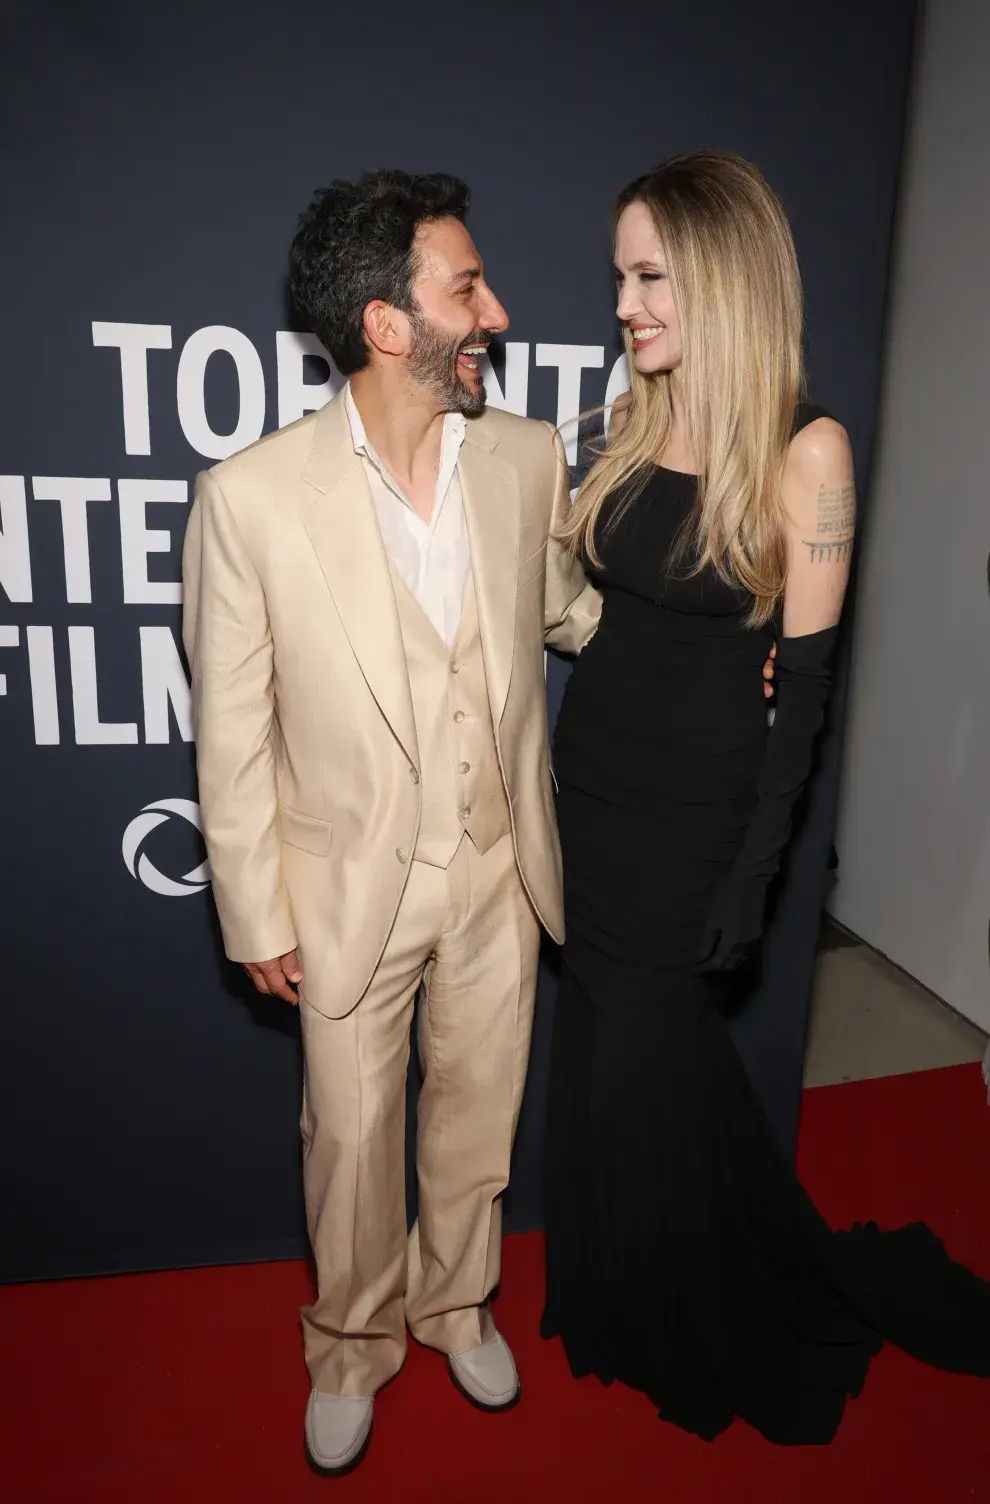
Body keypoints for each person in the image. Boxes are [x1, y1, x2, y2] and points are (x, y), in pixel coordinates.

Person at [541, 149, 990, 1445]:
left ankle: (709, 1300)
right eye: (619, 275)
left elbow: (801, 699)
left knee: (650, 1061)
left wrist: (750, 873)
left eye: (649, 274)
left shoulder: (808, 451)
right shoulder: (634, 421)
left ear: (724, 277)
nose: (624, 302)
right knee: (610, 1064)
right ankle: (621, 1294)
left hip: (692, 824)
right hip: (593, 794)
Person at [181, 170, 603, 1474]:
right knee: (352, 1143)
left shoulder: (527, 460)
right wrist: (255, 908)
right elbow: (232, 728)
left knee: (478, 1114)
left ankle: (454, 1302)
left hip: (496, 870)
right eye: (465, 287)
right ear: (384, 322)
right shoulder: (250, 500)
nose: (496, 309)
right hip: (345, 887)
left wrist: (714, 638)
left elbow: (573, 617)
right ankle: (350, 1342)